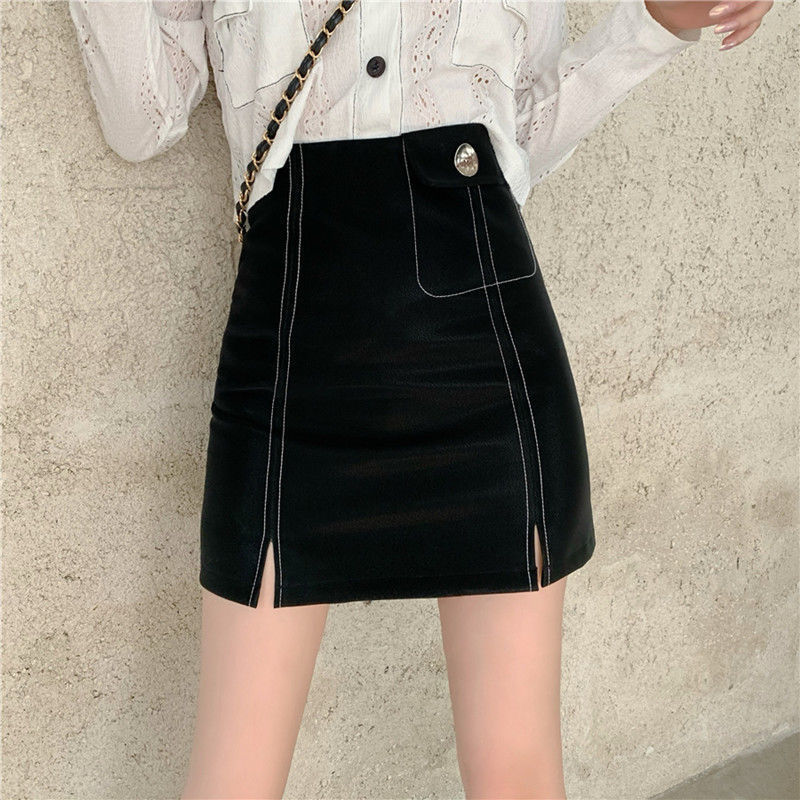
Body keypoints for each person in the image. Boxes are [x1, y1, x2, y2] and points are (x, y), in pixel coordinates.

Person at [68, 1, 772, 797]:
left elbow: (519, 134)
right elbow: (142, 118)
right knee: (232, 780)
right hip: (289, 354)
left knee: (516, 776)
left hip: (489, 355)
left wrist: (653, 25)